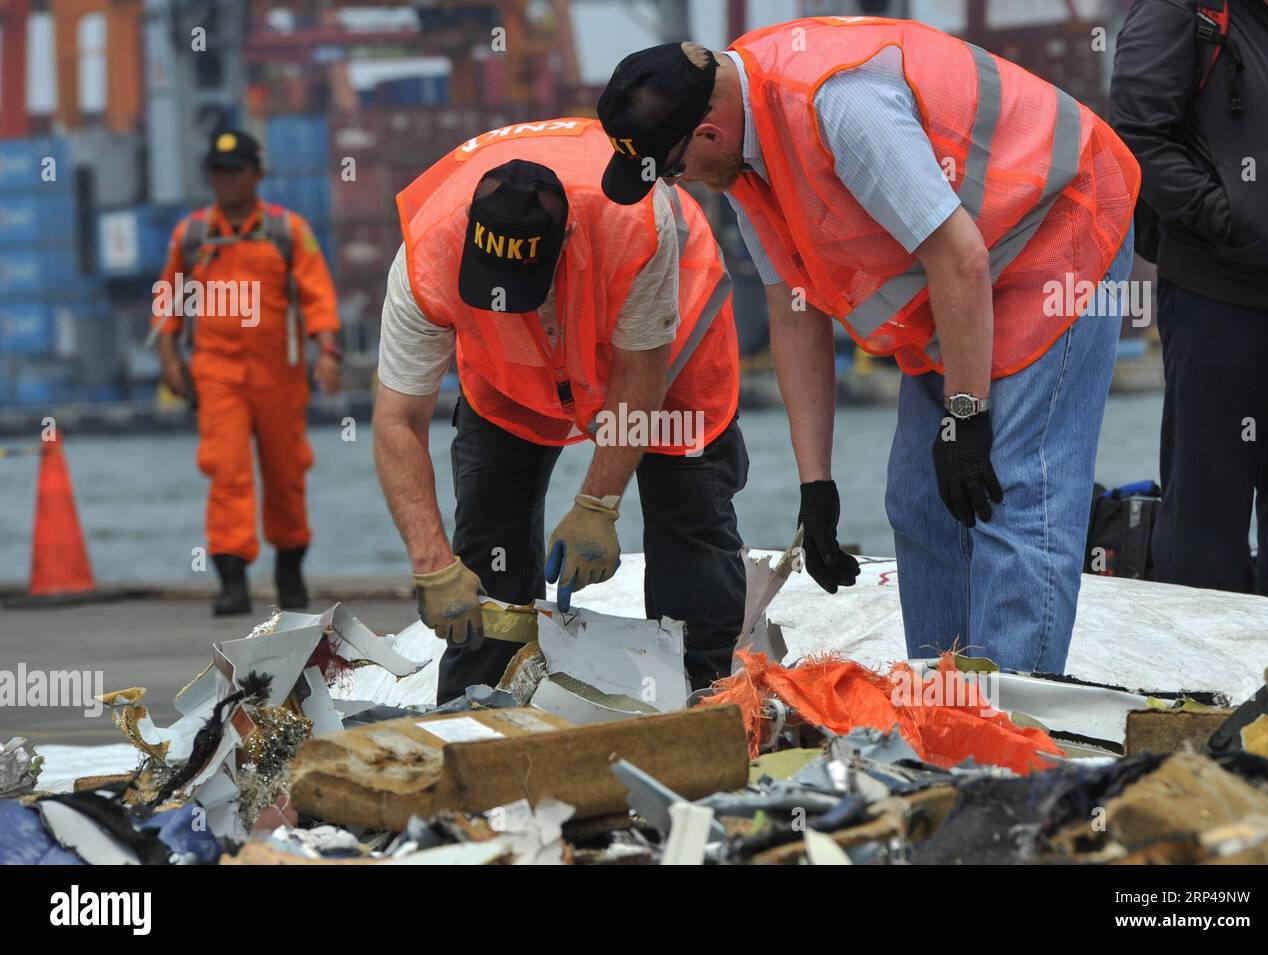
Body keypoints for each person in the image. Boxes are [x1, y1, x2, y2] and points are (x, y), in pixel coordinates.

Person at [598, 18, 1140, 673]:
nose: (680, 183)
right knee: (919, 498)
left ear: (706, 134)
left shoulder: (838, 105)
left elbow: (956, 253)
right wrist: (815, 484)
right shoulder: (744, 157)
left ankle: (1013, 717)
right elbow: (793, 312)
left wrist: (965, 414)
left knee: (1015, 490)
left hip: (1056, 228)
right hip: (960, 283)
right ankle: (945, 705)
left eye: (676, 169)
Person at [372, 117, 746, 704]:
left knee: (689, 509)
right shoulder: (425, 260)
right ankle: (479, 704)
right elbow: (397, 419)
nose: (510, 299)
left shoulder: (635, 223)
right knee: (490, 528)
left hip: (666, 343)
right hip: (509, 373)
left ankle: (699, 696)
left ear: (566, 240)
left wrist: (598, 504)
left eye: (526, 284)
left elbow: (639, 375)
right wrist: (431, 564)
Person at [1111, 0, 1268, 597]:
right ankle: (1200, 684)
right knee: (1206, 513)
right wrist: (1228, 219)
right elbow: (1137, 137)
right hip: (1218, 295)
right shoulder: (1180, 11)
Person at [151, 129, 343, 615]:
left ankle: (289, 573)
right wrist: (169, 359)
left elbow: (318, 295)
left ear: (257, 174)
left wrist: (328, 352)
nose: (227, 180)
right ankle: (232, 579)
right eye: (218, 171)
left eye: (236, 170)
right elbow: (168, 298)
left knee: (287, 471)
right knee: (226, 469)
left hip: (279, 372)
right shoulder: (191, 234)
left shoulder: (287, 230)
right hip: (216, 371)